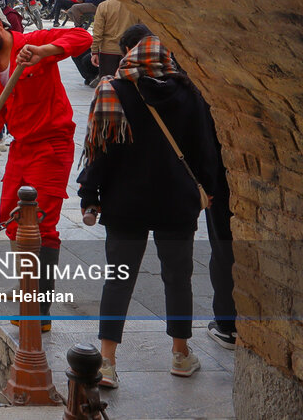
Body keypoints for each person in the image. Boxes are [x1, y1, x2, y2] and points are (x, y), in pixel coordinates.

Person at [78, 29, 220, 387]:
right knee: (178, 278)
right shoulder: (190, 93)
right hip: (177, 203)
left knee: (118, 280)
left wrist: (90, 195)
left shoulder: (114, 90)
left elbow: (102, 150)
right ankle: (180, 353)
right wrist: (208, 187)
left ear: (131, 54)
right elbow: (206, 149)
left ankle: (107, 362)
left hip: (126, 204)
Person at [0, 4, 92, 330]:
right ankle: (28, 288)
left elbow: (83, 36)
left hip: (52, 143)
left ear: (0, 27)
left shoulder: (33, 43)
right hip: (21, 146)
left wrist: (45, 50)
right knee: (11, 219)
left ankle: (38, 308)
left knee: (41, 224)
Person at [89, 0, 136, 84]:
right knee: (127, 86)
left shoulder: (104, 6)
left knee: (107, 85)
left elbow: (98, 31)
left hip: (107, 51)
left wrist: (94, 51)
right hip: (129, 51)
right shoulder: (136, 7)